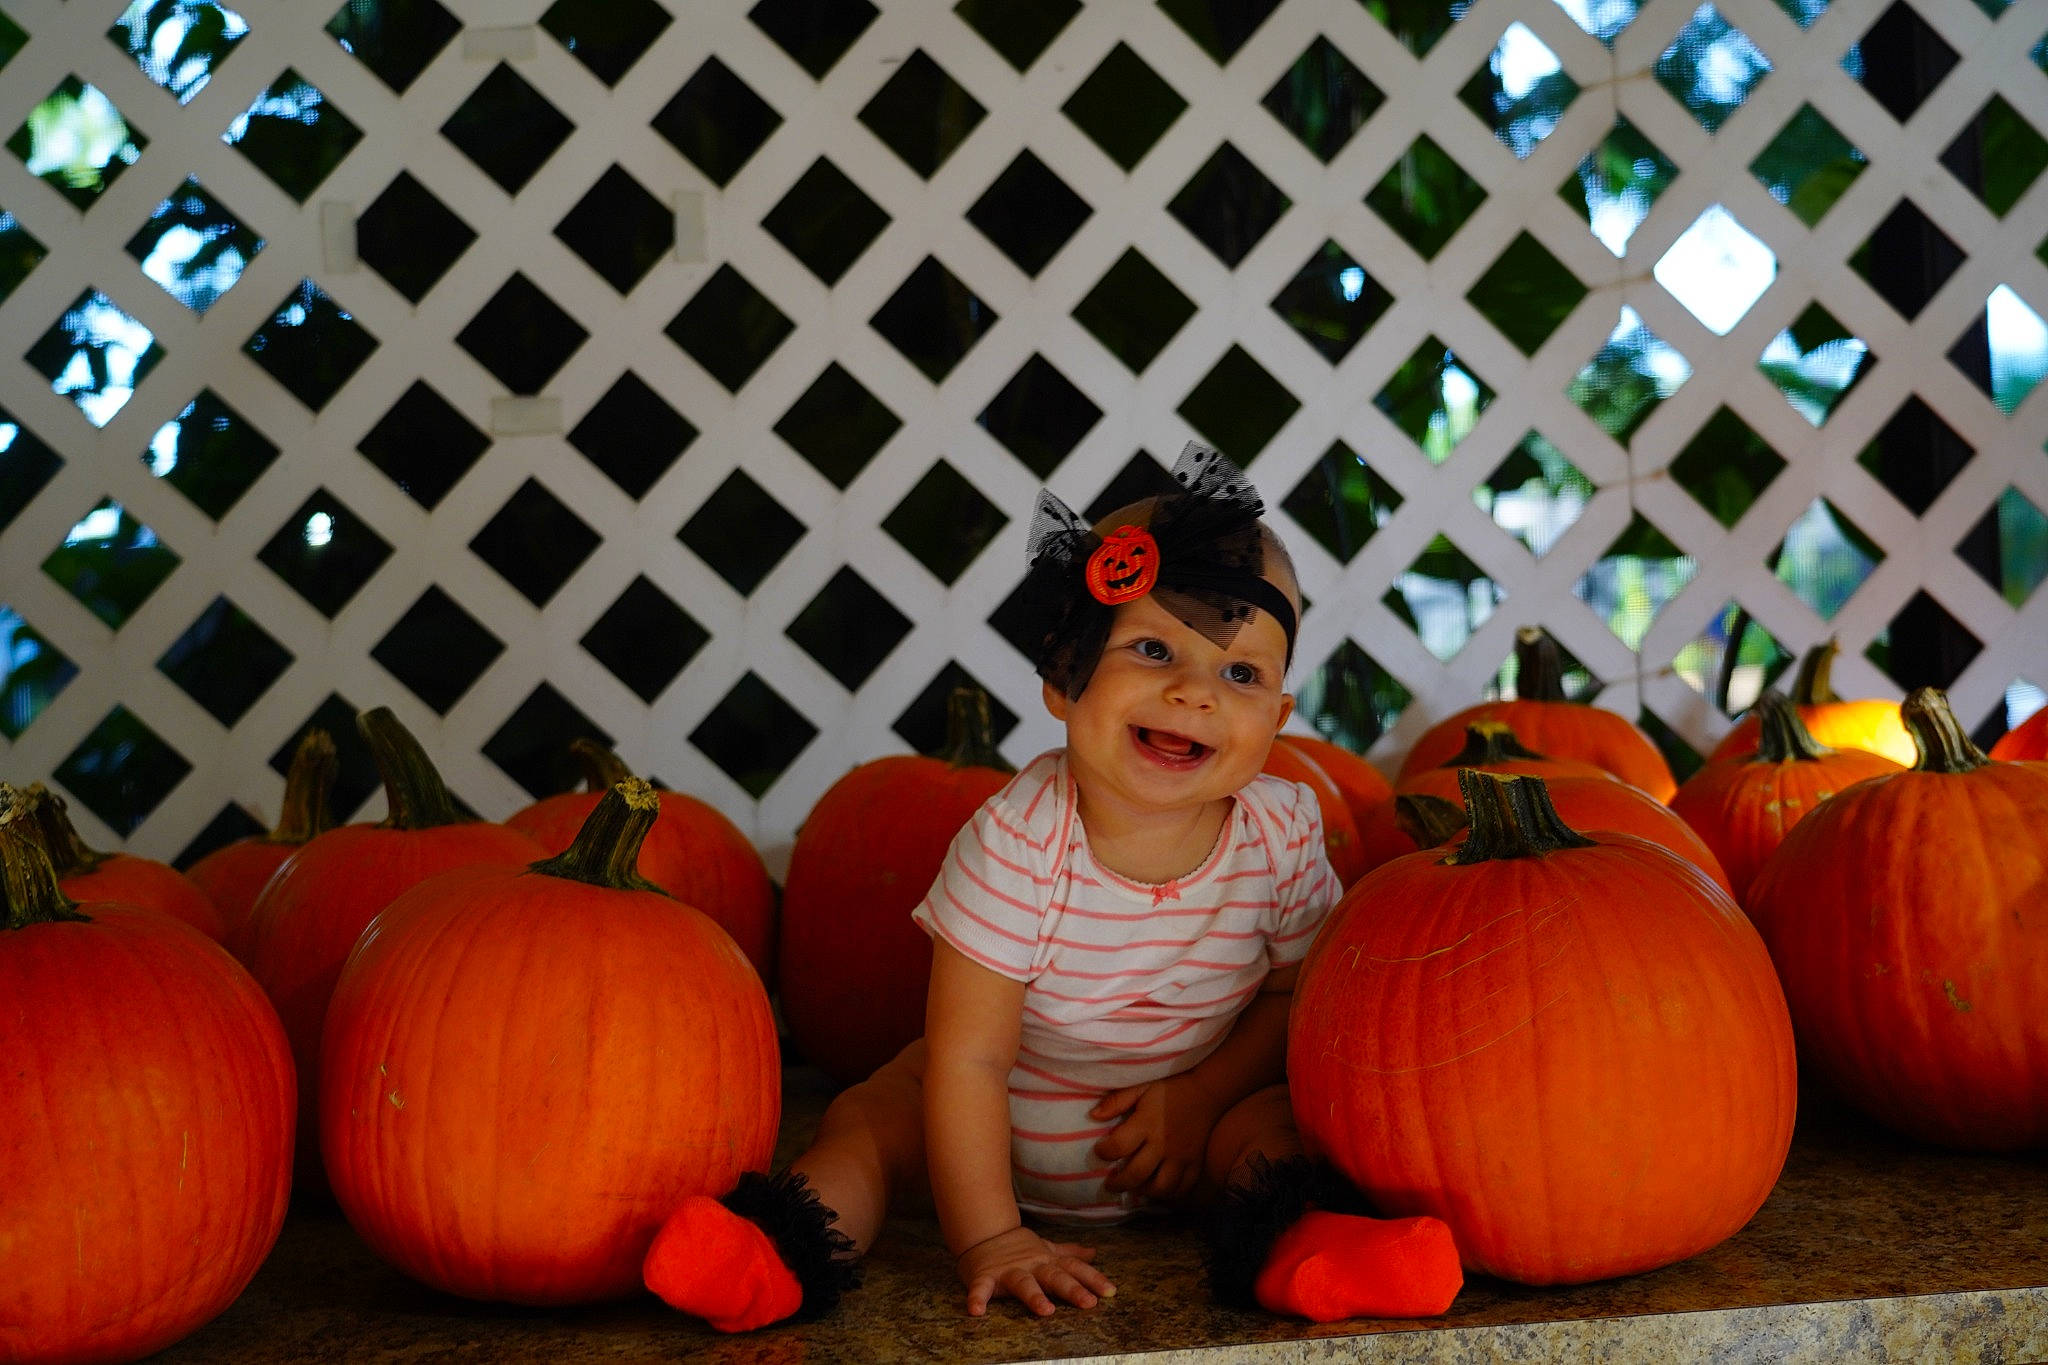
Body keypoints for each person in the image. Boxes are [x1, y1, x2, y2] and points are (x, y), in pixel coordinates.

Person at [642, 444, 1463, 1332]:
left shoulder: (1281, 832)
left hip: (1188, 1128)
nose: (1194, 693)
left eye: (1240, 674)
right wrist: (993, 1235)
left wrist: (1203, 1097)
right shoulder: (1019, 842)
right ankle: (773, 1253)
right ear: (1065, 679)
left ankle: (1315, 1253)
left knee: (1274, 1135)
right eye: (1153, 649)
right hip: (987, 1127)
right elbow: (970, 1059)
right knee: (871, 1127)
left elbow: (1293, 999)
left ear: (1279, 717)